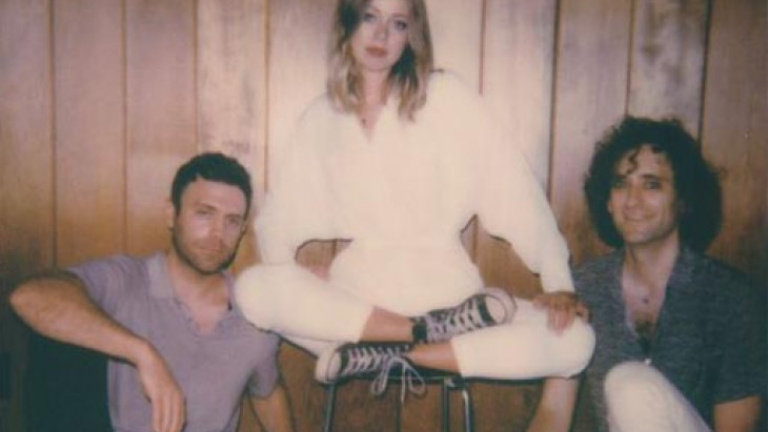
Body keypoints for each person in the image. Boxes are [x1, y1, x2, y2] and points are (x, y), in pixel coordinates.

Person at [235, 1, 593, 426]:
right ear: (348, 25)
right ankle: (413, 337)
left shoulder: (447, 98)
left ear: (412, 36)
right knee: (252, 290)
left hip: (452, 304)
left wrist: (559, 282)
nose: (381, 35)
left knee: (576, 340)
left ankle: (386, 354)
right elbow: (278, 219)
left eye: (398, 23)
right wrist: (290, 275)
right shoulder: (322, 118)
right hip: (359, 301)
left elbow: (514, 188)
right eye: (370, 17)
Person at [10, 153, 294, 432]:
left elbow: (268, 393)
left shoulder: (252, 312)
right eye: (204, 214)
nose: (217, 234)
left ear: (243, 230)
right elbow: (29, 298)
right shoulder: (127, 281)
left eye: (231, 221)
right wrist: (142, 353)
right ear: (172, 214)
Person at [553, 116, 765, 431]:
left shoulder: (730, 297)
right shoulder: (583, 288)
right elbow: (553, 416)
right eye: (620, 184)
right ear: (607, 202)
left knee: (630, 384)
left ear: (683, 200)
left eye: (651, 184)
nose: (632, 200)